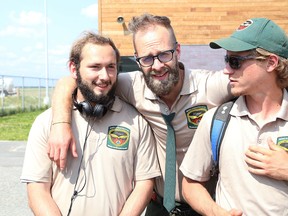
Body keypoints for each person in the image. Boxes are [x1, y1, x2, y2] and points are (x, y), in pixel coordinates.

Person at [48, 14, 233, 215]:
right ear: (137, 60)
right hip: (158, 207)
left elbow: (256, 82)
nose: (157, 65)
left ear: (178, 50)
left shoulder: (210, 86)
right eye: (146, 58)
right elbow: (71, 81)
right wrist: (60, 123)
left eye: (164, 54)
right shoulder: (130, 86)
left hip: (206, 207)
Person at [20, 32, 161, 216]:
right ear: (73, 68)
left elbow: (144, 183)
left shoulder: (137, 121)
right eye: (95, 67)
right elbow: (37, 191)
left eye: (111, 67)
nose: (104, 76)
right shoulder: (46, 123)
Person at [180, 17, 288, 215]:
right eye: (226, 60)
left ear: (271, 63)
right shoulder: (216, 121)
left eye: (235, 62)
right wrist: (214, 212)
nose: (226, 70)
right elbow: (190, 183)